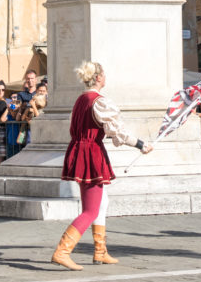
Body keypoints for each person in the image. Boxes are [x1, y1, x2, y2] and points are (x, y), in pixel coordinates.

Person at [52, 61, 152, 271]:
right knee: (90, 210)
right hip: (90, 152)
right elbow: (118, 132)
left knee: (102, 202)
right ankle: (63, 251)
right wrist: (141, 144)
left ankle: (100, 251)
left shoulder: (81, 100)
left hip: (81, 149)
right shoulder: (99, 102)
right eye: (103, 74)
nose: (105, 76)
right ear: (98, 77)